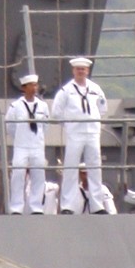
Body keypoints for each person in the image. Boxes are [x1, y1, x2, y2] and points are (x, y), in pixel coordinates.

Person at [51, 56, 107, 213]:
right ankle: (67, 206)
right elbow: (56, 112)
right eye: (78, 69)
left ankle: (97, 205)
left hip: (92, 133)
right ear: (73, 71)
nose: (81, 71)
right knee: (70, 168)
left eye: (83, 69)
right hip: (75, 134)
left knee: (95, 168)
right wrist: (69, 125)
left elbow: (102, 109)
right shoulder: (66, 91)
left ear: (87, 71)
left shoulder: (96, 89)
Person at [5, 72, 48, 215]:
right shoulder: (15, 106)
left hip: (37, 146)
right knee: (18, 175)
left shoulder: (43, 106)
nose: (34, 88)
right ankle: (16, 207)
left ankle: (36, 207)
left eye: (35, 85)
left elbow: (45, 126)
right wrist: (19, 138)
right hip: (21, 146)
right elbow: (10, 126)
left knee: (38, 176)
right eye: (31, 85)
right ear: (24, 88)